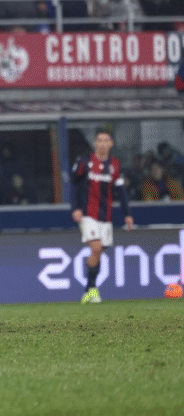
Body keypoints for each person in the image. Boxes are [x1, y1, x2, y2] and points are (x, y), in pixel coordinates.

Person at [72, 130, 133, 304]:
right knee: (96, 247)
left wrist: (127, 214)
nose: (103, 144)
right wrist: (75, 208)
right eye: (100, 140)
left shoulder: (115, 165)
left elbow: (121, 191)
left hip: (106, 216)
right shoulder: (85, 162)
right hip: (88, 214)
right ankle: (92, 288)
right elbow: (75, 185)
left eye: (106, 140)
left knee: (98, 253)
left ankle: (89, 289)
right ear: (95, 143)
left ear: (111, 143)